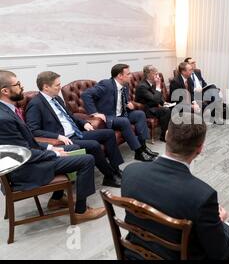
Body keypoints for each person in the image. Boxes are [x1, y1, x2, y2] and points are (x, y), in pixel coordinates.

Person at [121, 114, 229, 260]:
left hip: (135, 252)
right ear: (200, 149)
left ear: (167, 135)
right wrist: (219, 221)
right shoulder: (202, 195)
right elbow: (217, 250)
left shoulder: (130, 172)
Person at [0, 70, 105, 223]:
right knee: (87, 160)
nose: (22, 87)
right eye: (17, 84)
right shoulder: (3, 118)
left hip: (30, 157)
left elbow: (28, 142)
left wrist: (50, 148)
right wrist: (55, 154)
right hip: (25, 170)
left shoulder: (8, 109)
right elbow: (23, 154)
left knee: (74, 148)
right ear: (5, 91)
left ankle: (56, 199)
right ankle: (81, 212)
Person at [25, 71, 123, 188]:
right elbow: (33, 130)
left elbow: (71, 115)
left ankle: (115, 169)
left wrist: (84, 123)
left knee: (109, 133)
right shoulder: (35, 104)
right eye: (57, 85)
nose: (60, 87)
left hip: (76, 133)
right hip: (65, 139)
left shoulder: (57, 99)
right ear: (46, 87)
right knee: (94, 145)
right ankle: (110, 176)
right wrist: (57, 136)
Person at [81, 64, 158, 162]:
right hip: (109, 117)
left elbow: (122, 100)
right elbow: (86, 95)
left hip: (122, 114)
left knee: (140, 114)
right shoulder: (106, 84)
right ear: (120, 76)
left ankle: (144, 147)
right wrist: (95, 113)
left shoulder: (125, 85)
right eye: (128, 74)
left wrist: (128, 104)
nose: (131, 76)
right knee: (124, 121)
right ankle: (139, 152)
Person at [135, 65, 171, 142]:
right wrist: (158, 86)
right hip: (145, 110)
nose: (157, 76)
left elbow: (157, 97)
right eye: (155, 74)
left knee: (171, 107)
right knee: (166, 111)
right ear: (148, 75)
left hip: (153, 106)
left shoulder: (152, 83)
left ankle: (171, 133)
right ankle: (163, 136)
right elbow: (154, 99)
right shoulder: (142, 86)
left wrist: (164, 103)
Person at [184, 57, 224, 123]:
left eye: (194, 62)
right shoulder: (187, 74)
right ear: (187, 65)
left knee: (213, 90)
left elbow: (203, 83)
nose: (194, 64)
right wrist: (196, 89)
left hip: (202, 92)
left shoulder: (197, 72)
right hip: (194, 94)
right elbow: (188, 88)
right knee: (214, 90)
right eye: (192, 63)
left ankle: (215, 117)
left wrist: (206, 88)